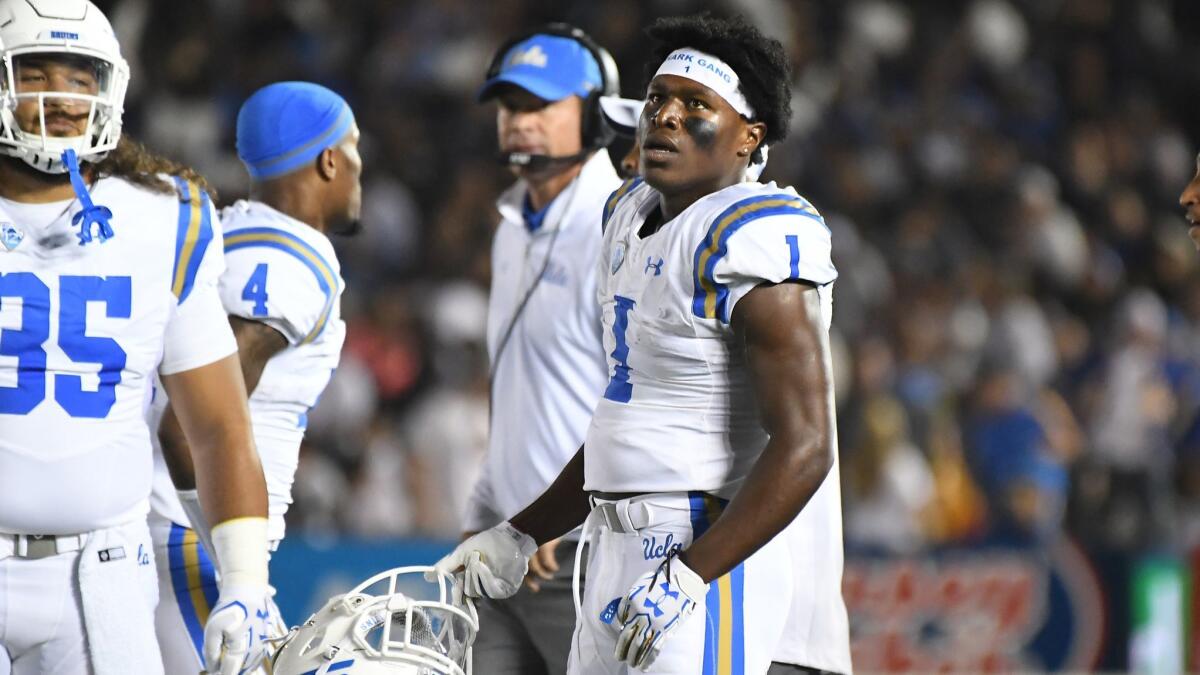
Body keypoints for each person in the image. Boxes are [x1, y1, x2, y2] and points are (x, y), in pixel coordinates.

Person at [435, 14, 852, 674]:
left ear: (750, 136)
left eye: (695, 105)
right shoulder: (628, 220)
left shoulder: (757, 233)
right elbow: (623, 424)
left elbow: (806, 447)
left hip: (702, 548)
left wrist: (689, 577)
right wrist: (522, 532)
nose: (665, 117)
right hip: (610, 544)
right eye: (658, 99)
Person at [0, 1, 272, 673]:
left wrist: (245, 580)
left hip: (103, 567)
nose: (63, 95)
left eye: (81, 74)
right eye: (36, 71)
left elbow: (217, 424)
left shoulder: (164, 217)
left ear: (111, 87)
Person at [147, 82, 360, 673]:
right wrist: (234, 560)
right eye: (357, 151)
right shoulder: (282, 261)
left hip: (178, 532)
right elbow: (189, 427)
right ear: (331, 159)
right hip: (191, 540)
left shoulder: (228, 230)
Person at [461, 23, 623, 675]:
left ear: (595, 113)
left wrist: (552, 518)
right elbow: (517, 390)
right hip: (506, 546)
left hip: (581, 552)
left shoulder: (618, 224)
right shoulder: (511, 228)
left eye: (540, 105)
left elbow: (634, 396)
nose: (519, 122)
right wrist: (485, 510)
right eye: (510, 106)